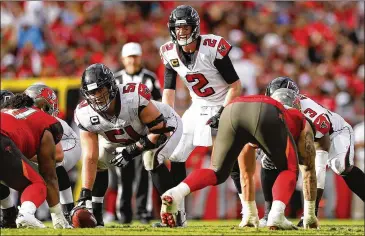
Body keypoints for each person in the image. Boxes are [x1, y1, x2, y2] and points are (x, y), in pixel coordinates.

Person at [159, 92, 318, 230]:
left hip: (231, 109)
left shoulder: (270, 109)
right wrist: (310, 214)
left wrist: (250, 213)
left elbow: (246, 172)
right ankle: (277, 214)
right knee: (289, 170)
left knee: (217, 171)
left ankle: (177, 192)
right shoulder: (298, 117)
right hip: (265, 112)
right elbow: (309, 169)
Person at [158, 5, 242, 226]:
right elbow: (169, 90)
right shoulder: (168, 52)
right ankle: (179, 214)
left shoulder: (212, 47)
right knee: (176, 155)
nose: (181, 32)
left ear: (195, 28)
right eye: (178, 28)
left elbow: (235, 85)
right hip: (197, 106)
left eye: (186, 27)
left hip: (223, 103)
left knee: (230, 161)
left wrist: (223, 111)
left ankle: (248, 211)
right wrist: (168, 118)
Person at [72, 63, 182, 227]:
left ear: (111, 86)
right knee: (100, 157)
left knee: (151, 158)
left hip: (161, 126)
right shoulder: (84, 113)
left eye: (101, 89)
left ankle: (175, 213)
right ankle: (96, 214)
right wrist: (84, 193)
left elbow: (158, 132)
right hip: (120, 137)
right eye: (92, 92)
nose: (97, 96)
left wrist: (130, 151)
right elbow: (90, 157)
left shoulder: (133, 97)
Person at [259, 77, 365, 227]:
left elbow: (318, 166)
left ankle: (310, 213)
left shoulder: (313, 116)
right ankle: (267, 214)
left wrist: (310, 213)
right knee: (268, 161)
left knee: (340, 166)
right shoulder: (267, 109)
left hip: (334, 133)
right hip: (303, 133)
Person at [0, 94, 71, 229]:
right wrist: (58, 217)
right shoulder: (44, 119)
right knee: (37, 183)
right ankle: (25, 214)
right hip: (3, 140)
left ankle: (9, 216)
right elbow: (49, 175)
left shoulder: (5, 113)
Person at [113, 42, 161, 223]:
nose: (132, 60)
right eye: (129, 57)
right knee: (123, 174)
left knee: (144, 173)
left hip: (145, 131)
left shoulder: (149, 78)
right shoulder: (115, 79)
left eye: (135, 56)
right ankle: (123, 213)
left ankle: (143, 212)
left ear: (140, 58)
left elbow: (158, 103)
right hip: (123, 131)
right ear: (123, 59)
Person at [24, 84, 81, 222]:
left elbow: (58, 155)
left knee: (53, 165)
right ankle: (22, 212)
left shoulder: (49, 122)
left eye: (34, 106)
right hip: (49, 151)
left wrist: (25, 156)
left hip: (69, 144)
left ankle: (68, 211)